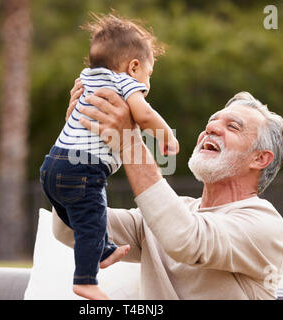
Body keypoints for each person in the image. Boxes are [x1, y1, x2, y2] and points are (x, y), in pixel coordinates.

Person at [52, 86, 283, 299]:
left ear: (260, 158)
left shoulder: (265, 224)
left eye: (232, 126)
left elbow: (185, 240)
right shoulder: (168, 214)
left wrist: (129, 140)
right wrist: (78, 140)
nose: (211, 128)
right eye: (212, 121)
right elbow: (69, 228)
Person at [39, 13, 178, 300]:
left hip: (52, 165)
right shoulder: (126, 83)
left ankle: (104, 248)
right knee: (92, 218)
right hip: (83, 170)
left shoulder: (87, 78)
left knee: (83, 219)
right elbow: (144, 114)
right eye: (148, 76)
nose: (146, 84)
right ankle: (86, 280)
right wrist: (167, 137)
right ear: (134, 66)